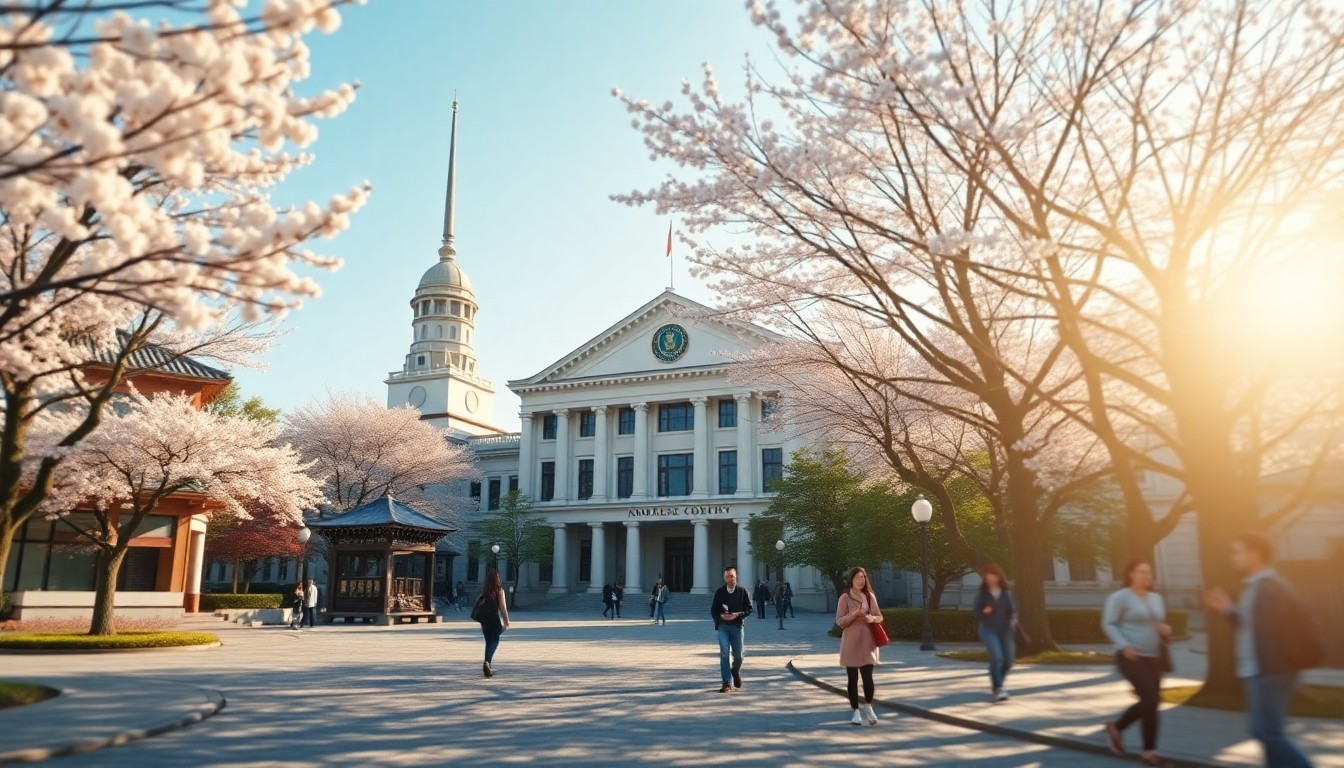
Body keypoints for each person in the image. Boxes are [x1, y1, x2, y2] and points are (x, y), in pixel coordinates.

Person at [1203, 533, 1322, 768]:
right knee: (1267, 733)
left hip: (1270, 672)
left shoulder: (1268, 588)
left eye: (1237, 552)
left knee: (1266, 732)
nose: (1233, 557)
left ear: (1254, 554)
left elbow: (1271, 632)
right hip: (1262, 671)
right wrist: (1228, 611)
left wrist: (1271, 671)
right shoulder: (1257, 586)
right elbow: (1254, 628)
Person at [1102, 560, 1171, 767]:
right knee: (1149, 698)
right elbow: (1108, 623)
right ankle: (1117, 727)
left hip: (1154, 657)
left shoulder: (1156, 598)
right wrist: (1124, 645)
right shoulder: (1120, 597)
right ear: (1131, 574)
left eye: (1149, 572)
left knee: (1153, 704)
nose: (1147, 576)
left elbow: (1157, 622)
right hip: (1130, 657)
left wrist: (1164, 629)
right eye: (1142, 572)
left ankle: (1149, 753)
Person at [836, 566, 883, 725]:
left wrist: (872, 619)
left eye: (863, 577)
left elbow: (879, 617)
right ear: (851, 579)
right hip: (851, 641)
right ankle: (855, 711)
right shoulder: (845, 598)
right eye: (857, 577)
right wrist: (854, 614)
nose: (861, 580)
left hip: (868, 641)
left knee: (868, 677)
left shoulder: (869, 596)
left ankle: (868, 706)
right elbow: (840, 622)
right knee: (852, 678)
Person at [973, 563, 1017, 702]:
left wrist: (1013, 619)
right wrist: (983, 612)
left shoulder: (1006, 593)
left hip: (1005, 630)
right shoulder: (982, 594)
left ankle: (997, 683)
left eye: (993, 577)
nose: (990, 580)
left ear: (999, 577)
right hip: (988, 629)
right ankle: (999, 688)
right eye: (988, 578)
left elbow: (1012, 610)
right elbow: (976, 612)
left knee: (1008, 661)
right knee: (997, 657)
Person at [711, 565, 752, 692]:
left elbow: (749, 609)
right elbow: (714, 610)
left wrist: (737, 615)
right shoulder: (720, 592)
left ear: (736, 577)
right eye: (728, 576)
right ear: (724, 578)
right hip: (723, 627)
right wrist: (720, 618)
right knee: (724, 653)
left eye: (732, 576)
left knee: (738, 656)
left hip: (737, 627)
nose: (730, 579)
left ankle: (735, 670)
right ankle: (726, 683)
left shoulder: (742, 592)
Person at [475, 568, 510, 678]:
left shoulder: (484, 591)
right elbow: (503, 608)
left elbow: (478, 604)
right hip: (494, 619)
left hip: (484, 620)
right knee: (494, 641)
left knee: (488, 642)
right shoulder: (499, 590)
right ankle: (487, 663)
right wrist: (506, 622)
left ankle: (488, 665)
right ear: (498, 579)